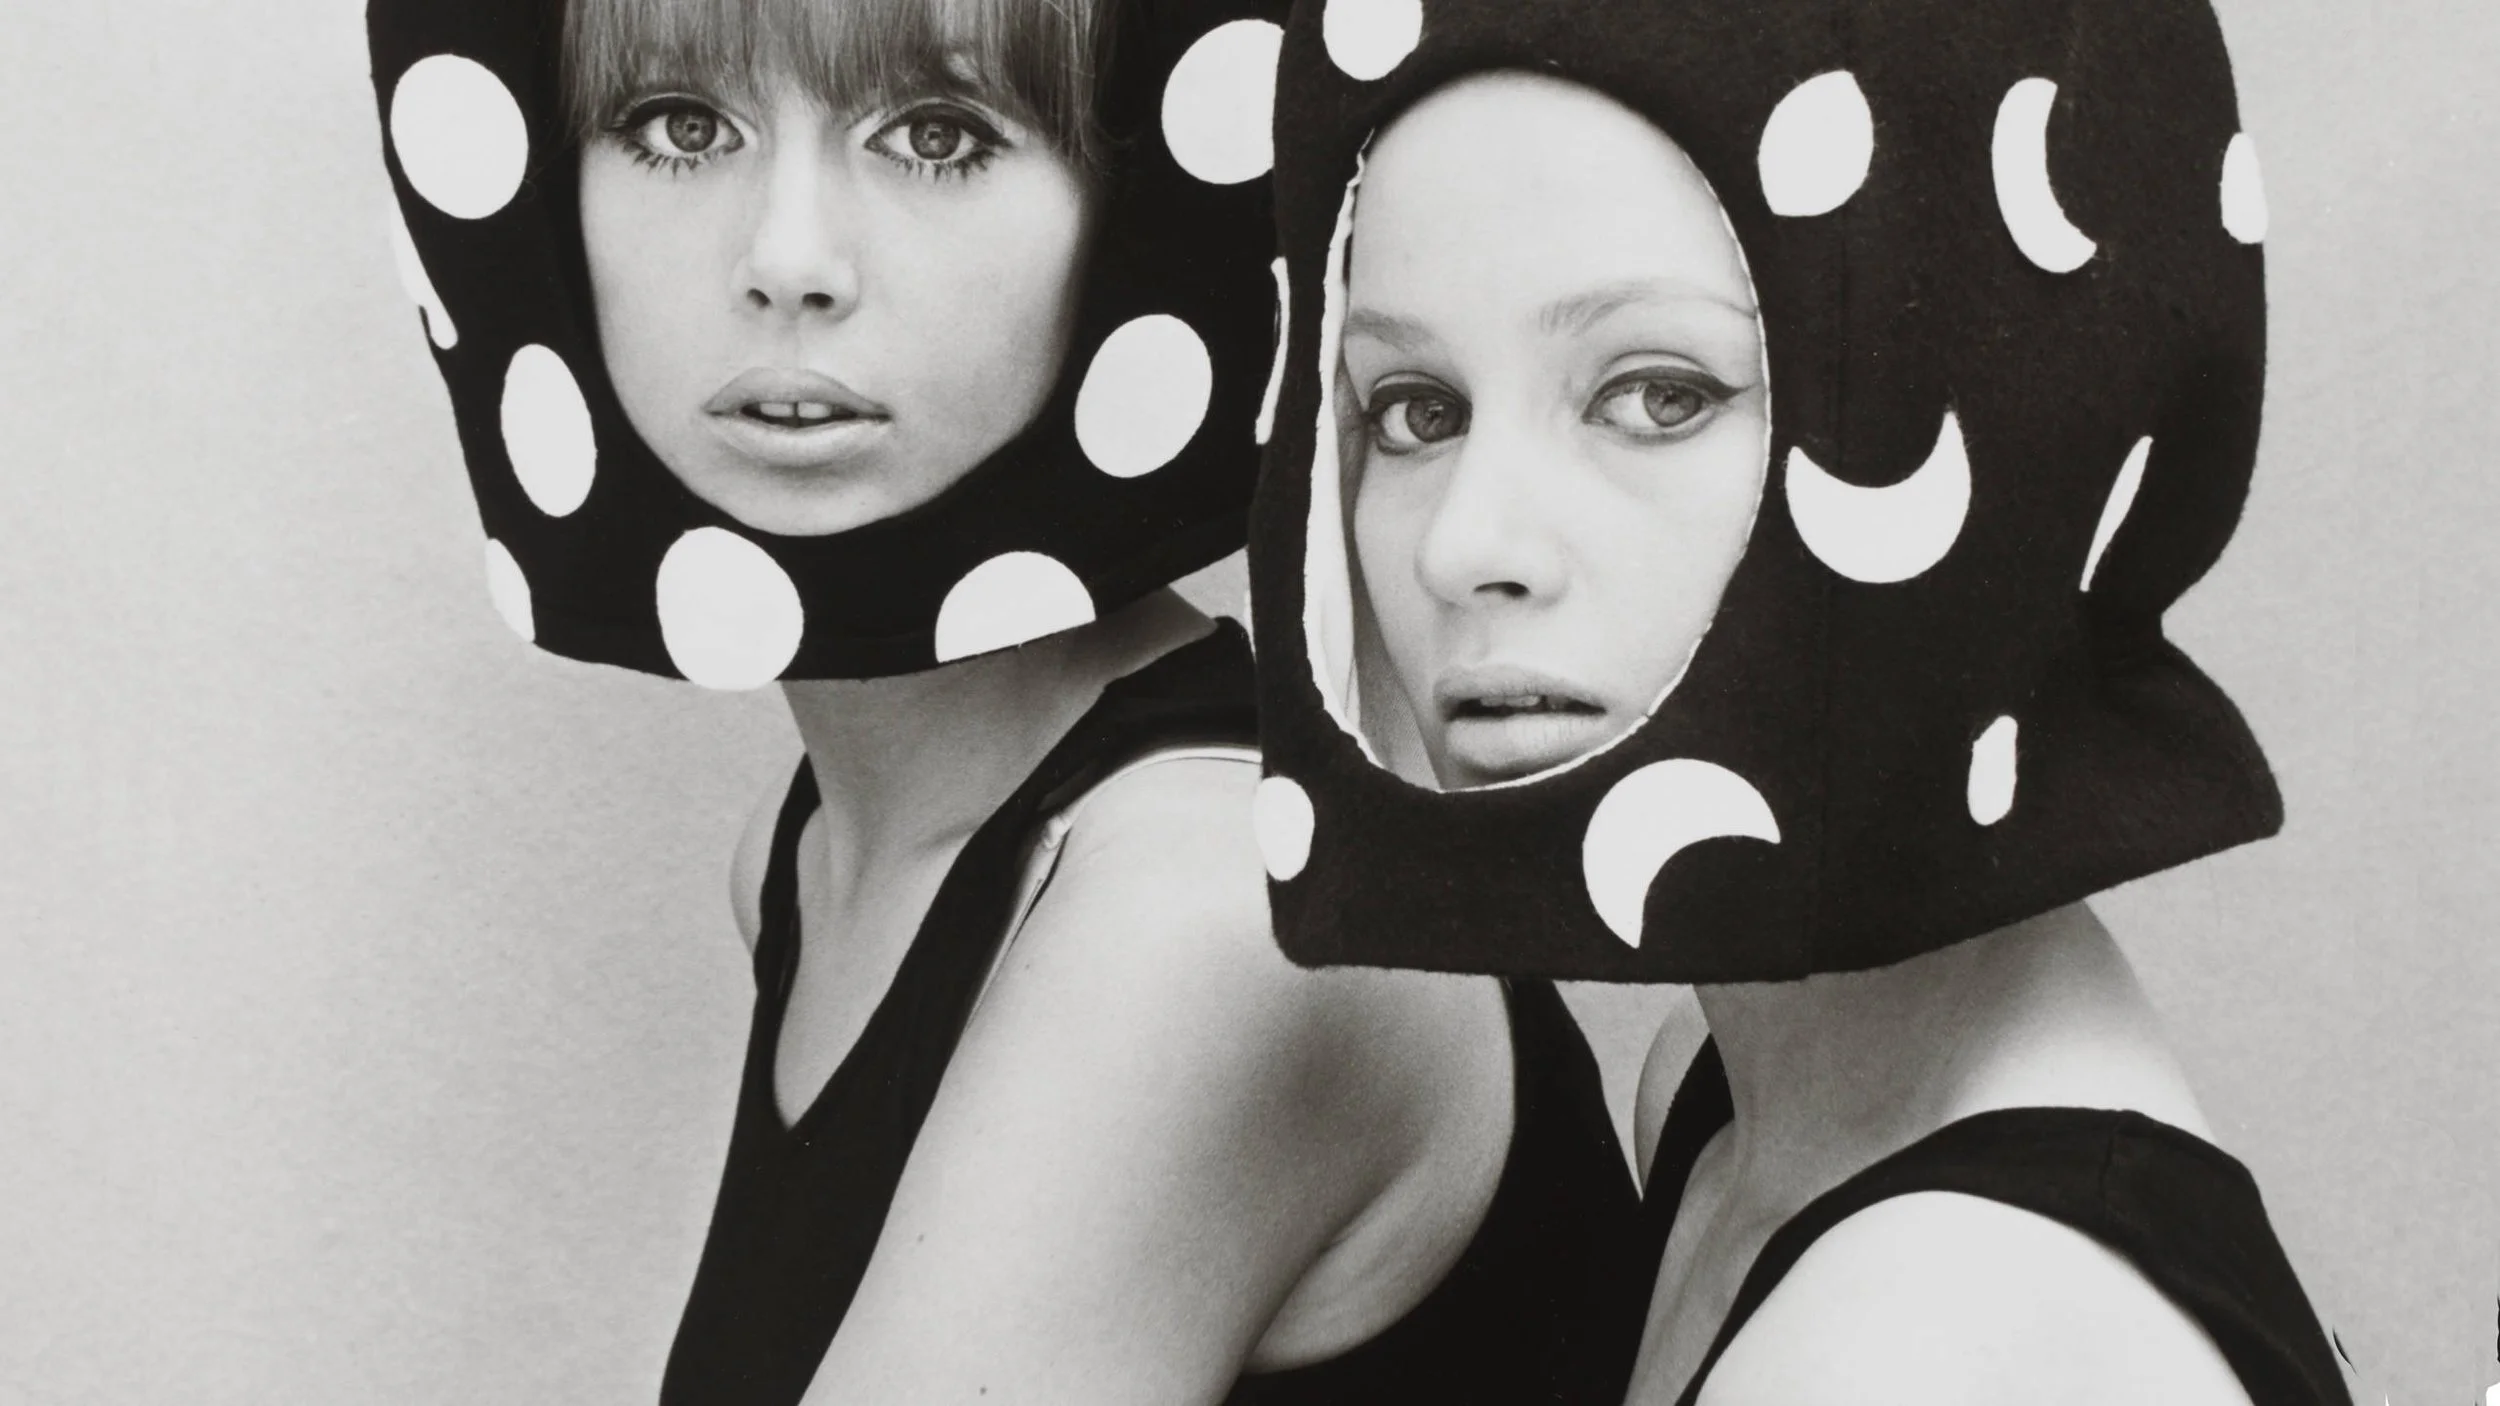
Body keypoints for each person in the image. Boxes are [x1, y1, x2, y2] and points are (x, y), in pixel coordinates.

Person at [365, 0, 1645, 1401]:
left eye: (935, 135)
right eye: (680, 126)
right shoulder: (811, 853)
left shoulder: (1209, 908)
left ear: (1124, 205)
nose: (787, 262)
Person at [1245, 1, 2352, 1402]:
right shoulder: (1718, 1083)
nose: (1463, 546)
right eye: (1416, 409)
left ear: (2005, 410)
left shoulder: (1929, 1338)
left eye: (1657, 395)